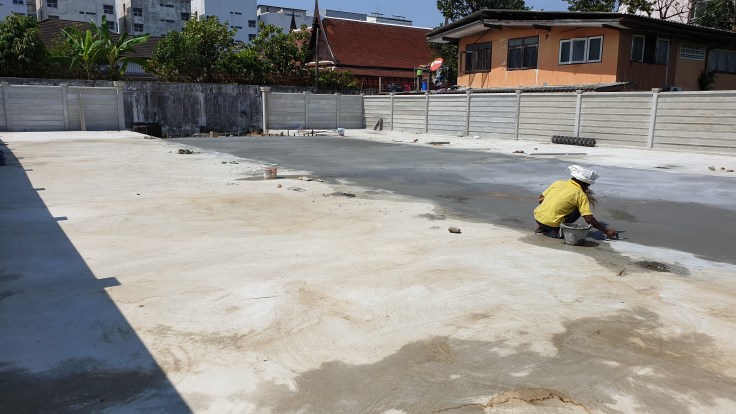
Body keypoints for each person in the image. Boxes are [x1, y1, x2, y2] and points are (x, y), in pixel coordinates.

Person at [534, 165, 617, 239]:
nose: (587, 188)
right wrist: (606, 231)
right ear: (583, 183)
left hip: (537, 218)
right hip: (554, 225)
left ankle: (541, 227)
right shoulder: (580, 194)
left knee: (552, 204)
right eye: (587, 185)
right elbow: (589, 219)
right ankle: (558, 230)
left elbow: (540, 199)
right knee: (578, 210)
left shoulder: (558, 183)